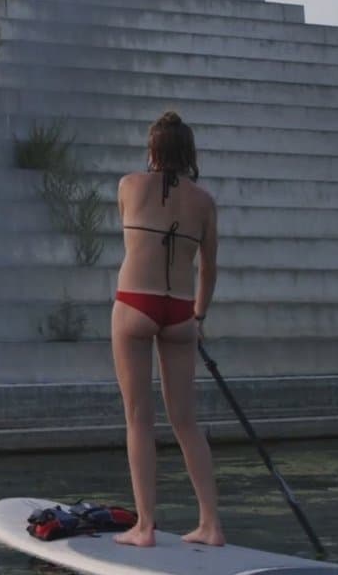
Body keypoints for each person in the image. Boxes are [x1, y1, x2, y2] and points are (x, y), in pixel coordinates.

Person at [111, 112, 225, 547]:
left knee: (139, 418)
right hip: (179, 311)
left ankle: (145, 526)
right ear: (189, 153)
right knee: (186, 422)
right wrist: (199, 315)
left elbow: (130, 230)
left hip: (134, 304)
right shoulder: (205, 202)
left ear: (153, 151)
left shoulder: (128, 186)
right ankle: (211, 523)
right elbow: (209, 268)